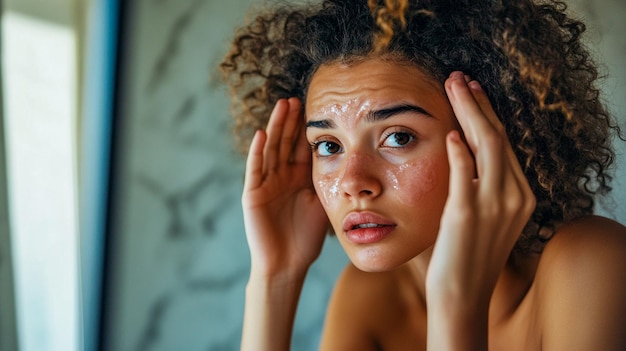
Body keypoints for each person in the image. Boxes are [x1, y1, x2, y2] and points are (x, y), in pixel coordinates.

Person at [220, 0, 626, 349]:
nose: (351, 181)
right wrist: (275, 277)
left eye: (398, 137)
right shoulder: (371, 297)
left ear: (487, 139)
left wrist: (455, 304)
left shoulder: (591, 264)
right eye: (329, 146)